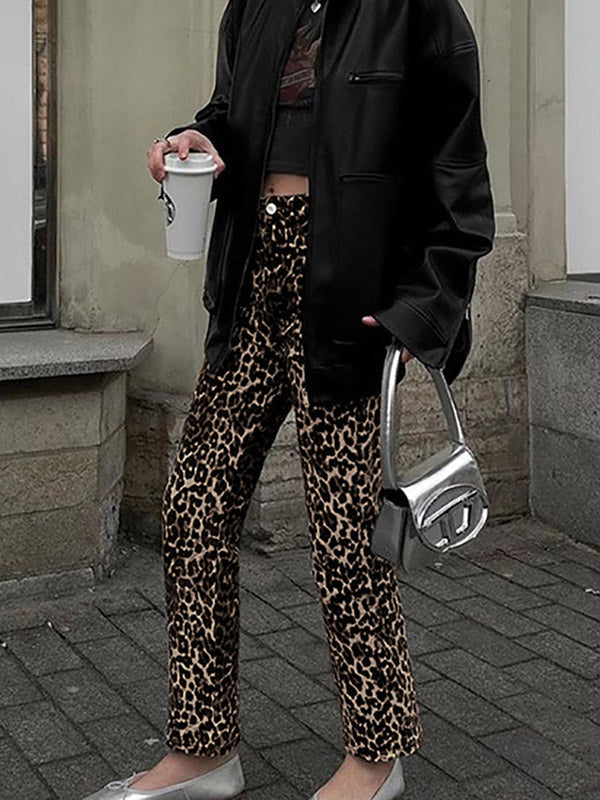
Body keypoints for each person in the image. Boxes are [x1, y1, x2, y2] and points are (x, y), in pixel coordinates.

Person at [83, 0, 495, 798]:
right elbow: (232, 118)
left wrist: (425, 305)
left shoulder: (413, 10)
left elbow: (458, 168)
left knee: (346, 532)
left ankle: (377, 755)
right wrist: (197, 139)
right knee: (194, 508)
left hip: (350, 291)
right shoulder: (256, 5)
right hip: (251, 276)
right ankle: (203, 748)